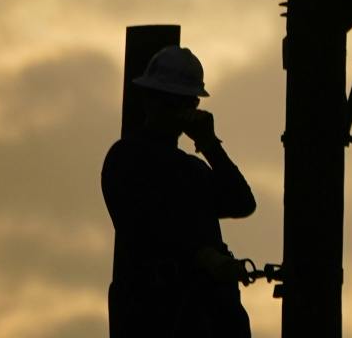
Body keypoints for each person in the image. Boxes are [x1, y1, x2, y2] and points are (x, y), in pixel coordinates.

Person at [102, 45, 257, 338]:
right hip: (154, 315)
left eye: (184, 104)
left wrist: (210, 144)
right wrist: (201, 256)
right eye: (169, 102)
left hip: (201, 318)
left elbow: (242, 202)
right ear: (149, 101)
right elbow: (142, 224)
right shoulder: (126, 160)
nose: (177, 111)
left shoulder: (193, 170)